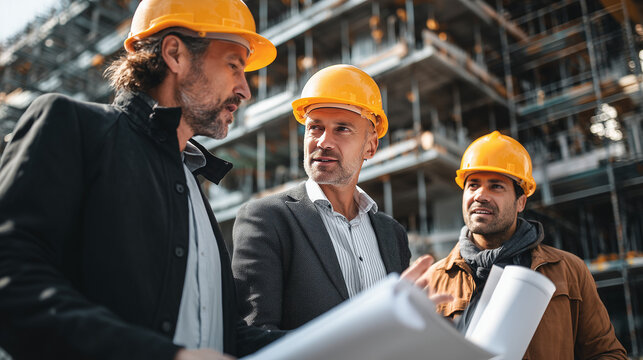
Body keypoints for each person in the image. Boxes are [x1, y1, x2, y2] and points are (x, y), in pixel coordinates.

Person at [0, 0, 284, 359]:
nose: (245, 90)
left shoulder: (192, 187)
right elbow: (11, 279)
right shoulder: (73, 126)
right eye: (233, 66)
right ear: (175, 54)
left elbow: (222, 337)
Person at [231, 64, 412, 331]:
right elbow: (254, 337)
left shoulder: (392, 234)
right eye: (315, 128)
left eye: (342, 129)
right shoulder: (266, 219)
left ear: (370, 146)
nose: (323, 141)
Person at [427, 131, 627, 359]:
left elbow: (609, 354)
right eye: (473, 185)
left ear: (521, 201)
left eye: (496, 186)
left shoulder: (569, 271)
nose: (481, 195)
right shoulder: (435, 280)